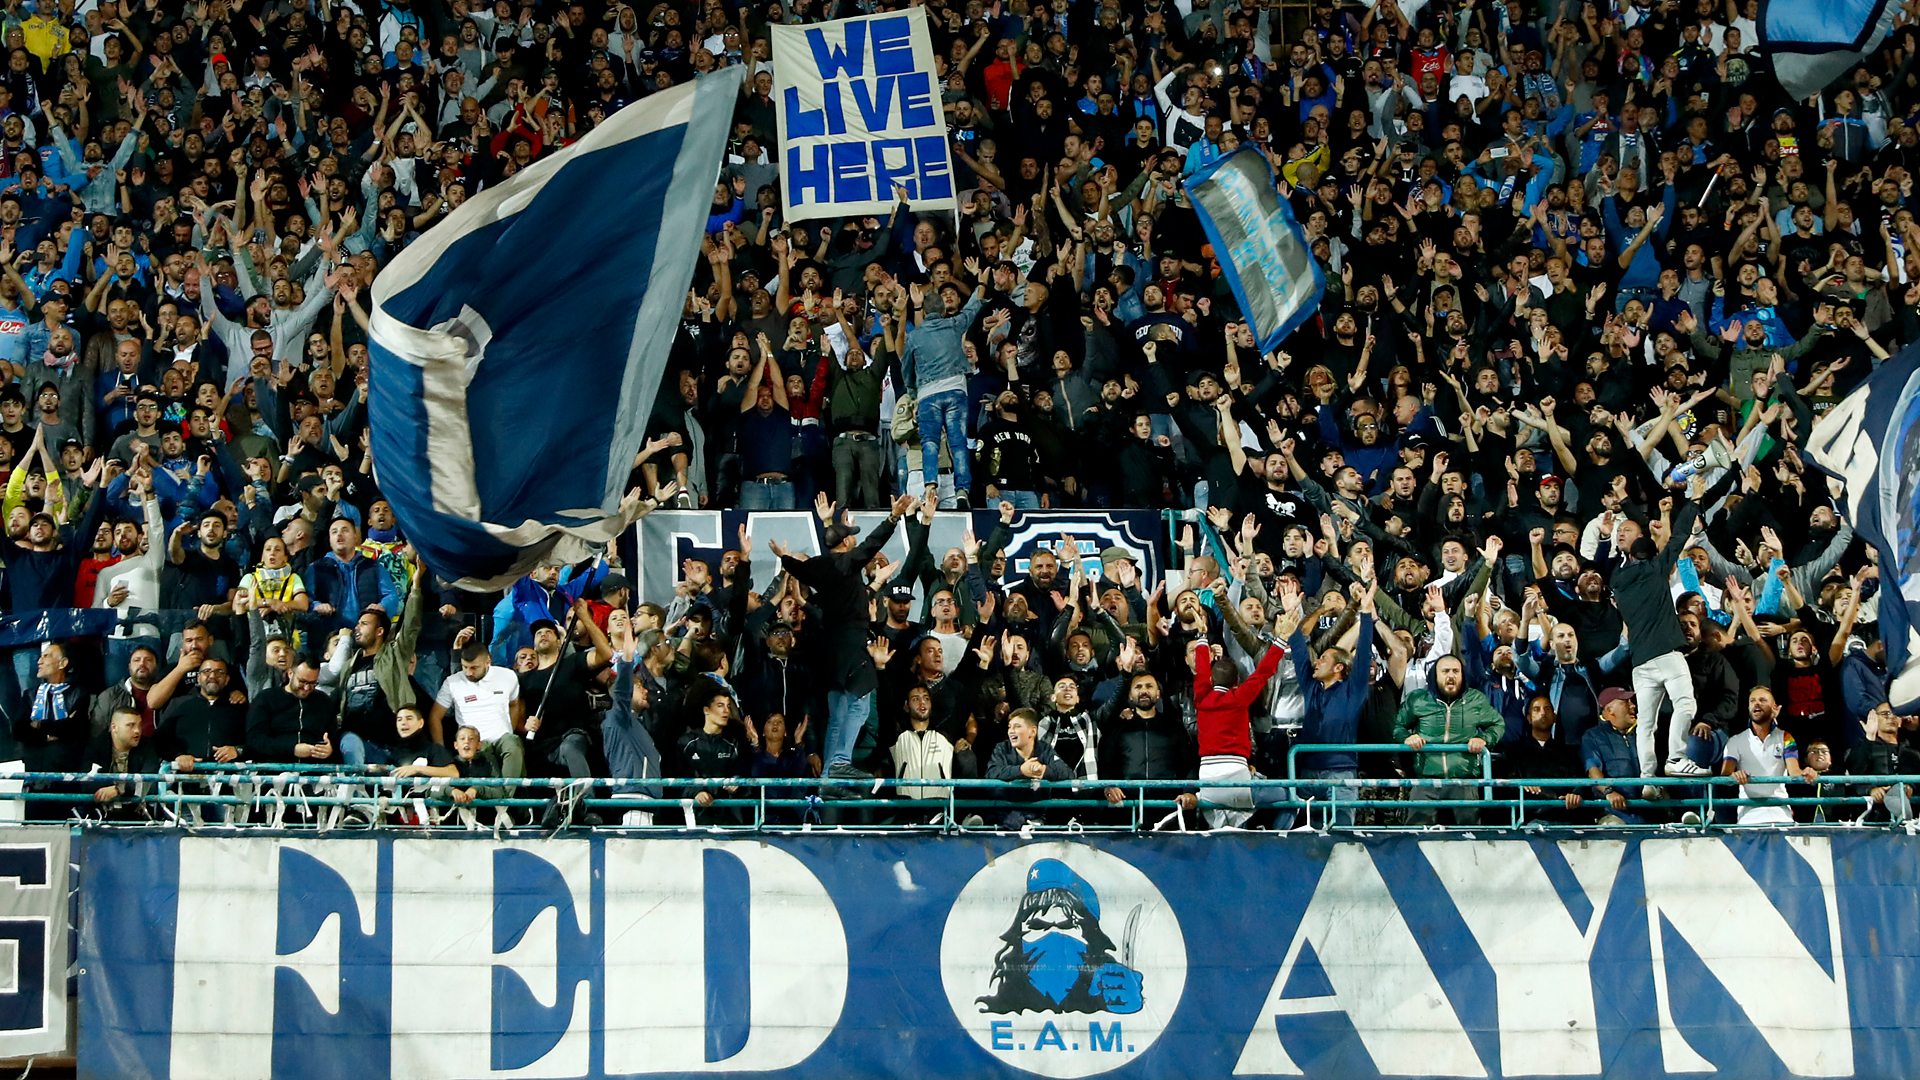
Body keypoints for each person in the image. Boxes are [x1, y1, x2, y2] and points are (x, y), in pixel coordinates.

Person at [772, 493, 915, 793]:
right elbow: (872, 545)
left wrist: (784, 557)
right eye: (851, 537)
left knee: (838, 709)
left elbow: (799, 569)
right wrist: (892, 517)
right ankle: (838, 761)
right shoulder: (848, 562)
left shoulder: (819, 567)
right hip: (852, 644)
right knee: (860, 706)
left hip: (830, 648)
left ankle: (827, 778)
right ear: (847, 543)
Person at [1396, 654, 1506, 825]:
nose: (1451, 676)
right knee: (1415, 837)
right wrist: (1408, 738)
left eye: (1456, 671)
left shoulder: (1475, 699)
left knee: (1470, 839)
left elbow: (1498, 724)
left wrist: (1484, 739)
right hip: (1426, 780)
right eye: (1445, 671)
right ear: (1435, 675)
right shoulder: (1418, 698)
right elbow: (1398, 727)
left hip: (1464, 780)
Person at [429, 629, 527, 780]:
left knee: (513, 742)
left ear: (488, 661)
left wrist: (510, 729)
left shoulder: (508, 676)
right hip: (473, 744)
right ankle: (504, 799)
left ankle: (506, 799)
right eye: (465, 667)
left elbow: (514, 704)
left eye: (474, 668)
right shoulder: (452, 682)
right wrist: (440, 751)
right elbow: (435, 716)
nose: (468, 672)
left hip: (502, 741)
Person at [1721, 686, 1813, 826]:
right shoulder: (1735, 741)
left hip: (1781, 815)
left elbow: (1794, 772)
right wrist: (1734, 776)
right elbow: (1725, 776)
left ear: (1775, 708)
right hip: (1748, 817)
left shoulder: (1786, 738)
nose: (1756, 703)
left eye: (1762, 700)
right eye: (1752, 701)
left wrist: (1807, 772)